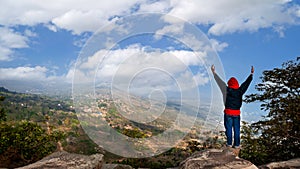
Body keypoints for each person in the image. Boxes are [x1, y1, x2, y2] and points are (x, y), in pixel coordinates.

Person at [211, 65, 254, 150]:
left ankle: (229, 144)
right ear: (237, 84)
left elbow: (220, 82)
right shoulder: (240, 91)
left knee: (229, 129)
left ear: (229, 84)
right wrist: (251, 75)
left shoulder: (226, 90)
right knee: (237, 129)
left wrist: (214, 73)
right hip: (236, 114)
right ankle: (237, 145)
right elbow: (246, 84)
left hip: (228, 113)